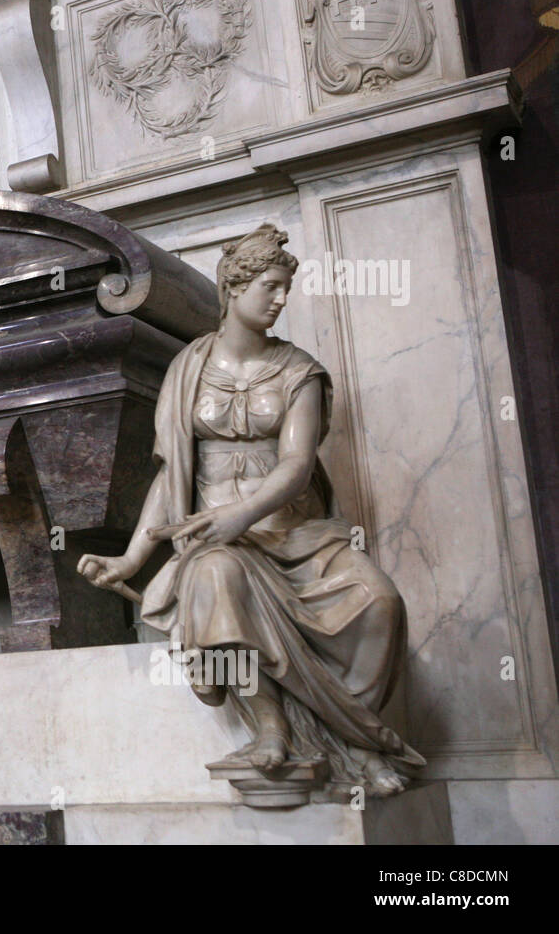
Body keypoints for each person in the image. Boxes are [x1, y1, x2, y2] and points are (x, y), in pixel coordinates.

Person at [78, 225, 425, 797]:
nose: (282, 299)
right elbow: (174, 472)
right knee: (216, 577)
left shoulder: (299, 372)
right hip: (216, 543)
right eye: (271, 286)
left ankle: (359, 738)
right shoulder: (187, 368)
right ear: (233, 288)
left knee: (380, 600)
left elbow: (294, 465)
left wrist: (244, 514)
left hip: (297, 535)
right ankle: (272, 727)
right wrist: (133, 556)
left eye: (286, 288)